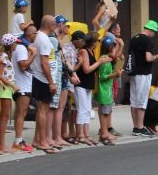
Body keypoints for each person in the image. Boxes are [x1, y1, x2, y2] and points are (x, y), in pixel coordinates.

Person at [75, 32, 111, 145]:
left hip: (88, 84)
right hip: (81, 83)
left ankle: (86, 134)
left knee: (87, 109)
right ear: (93, 42)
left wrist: (101, 62)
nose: (98, 44)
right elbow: (86, 69)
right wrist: (100, 62)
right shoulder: (84, 51)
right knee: (82, 109)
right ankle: (80, 135)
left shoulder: (91, 51)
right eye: (97, 41)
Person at [128, 20, 158, 136]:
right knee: (142, 101)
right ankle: (140, 127)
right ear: (151, 30)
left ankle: (135, 126)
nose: (154, 34)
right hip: (144, 73)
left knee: (133, 101)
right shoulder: (148, 40)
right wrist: (156, 57)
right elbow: (148, 58)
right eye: (154, 32)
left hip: (133, 73)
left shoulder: (133, 39)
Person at [30, 15, 57, 153]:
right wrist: (51, 82)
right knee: (43, 110)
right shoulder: (44, 40)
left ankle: (37, 139)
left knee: (42, 109)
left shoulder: (38, 37)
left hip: (39, 77)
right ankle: (41, 141)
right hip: (43, 78)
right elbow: (44, 62)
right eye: (55, 25)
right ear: (51, 26)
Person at [11, 25, 36, 152]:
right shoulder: (21, 47)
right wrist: (33, 54)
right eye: (34, 33)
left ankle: (18, 140)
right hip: (22, 86)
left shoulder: (23, 46)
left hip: (24, 84)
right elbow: (23, 66)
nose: (36, 35)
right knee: (21, 113)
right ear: (29, 34)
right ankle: (18, 141)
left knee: (22, 113)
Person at [95, 38, 122, 145]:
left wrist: (116, 74)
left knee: (106, 111)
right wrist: (114, 75)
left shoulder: (107, 59)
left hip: (106, 89)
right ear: (110, 49)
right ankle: (104, 133)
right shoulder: (105, 60)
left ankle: (104, 131)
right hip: (104, 90)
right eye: (114, 48)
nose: (115, 51)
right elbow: (102, 76)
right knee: (104, 112)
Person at [50, 17, 72, 147]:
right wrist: (70, 73)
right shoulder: (54, 39)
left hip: (63, 75)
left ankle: (58, 136)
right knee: (58, 108)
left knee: (60, 108)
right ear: (60, 24)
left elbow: (64, 59)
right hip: (59, 75)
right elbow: (60, 60)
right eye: (66, 25)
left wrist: (72, 72)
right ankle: (56, 136)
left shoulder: (59, 40)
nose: (68, 28)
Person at [0, 34, 20, 154]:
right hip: (5, 88)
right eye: (15, 43)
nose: (16, 45)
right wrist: (12, 85)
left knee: (5, 117)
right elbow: (0, 75)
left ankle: (2, 144)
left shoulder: (7, 56)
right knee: (4, 117)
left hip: (7, 88)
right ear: (10, 44)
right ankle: (1, 145)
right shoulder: (4, 57)